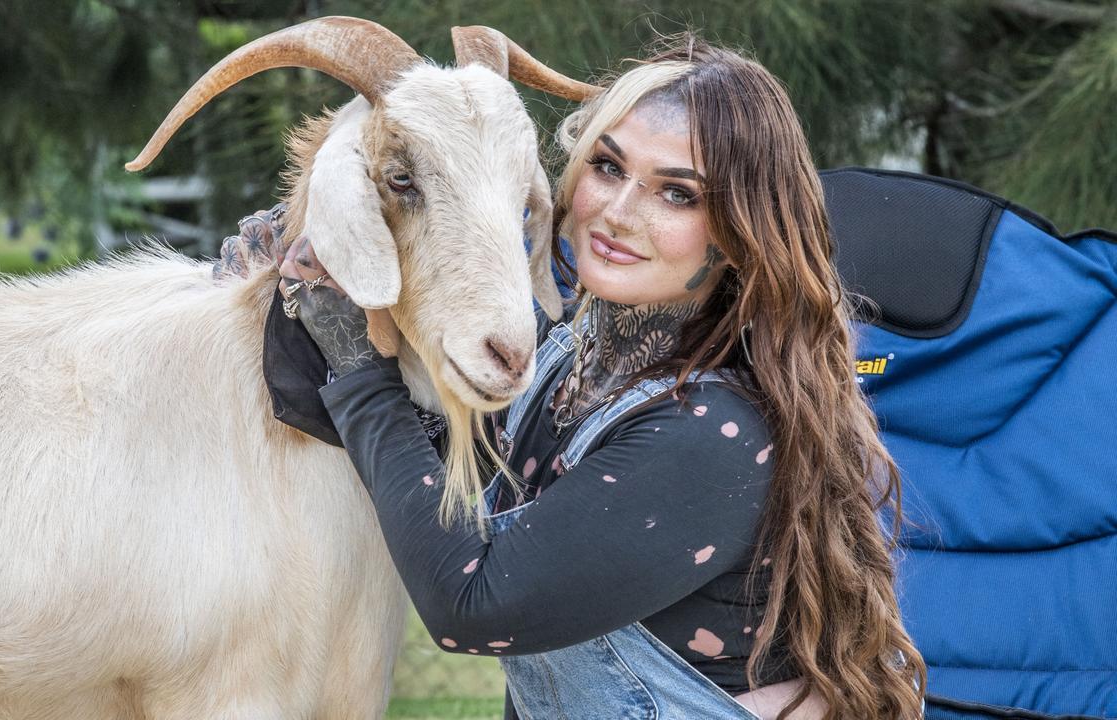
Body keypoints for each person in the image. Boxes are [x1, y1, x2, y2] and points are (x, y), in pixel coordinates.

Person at [224, 33, 926, 720]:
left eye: (677, 194)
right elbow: (418, 468)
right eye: (609, 167)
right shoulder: (567, 357)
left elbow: (472, 603)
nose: (618, 214)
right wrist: (290, 292)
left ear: (743, 231)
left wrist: (356, 365)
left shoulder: (709, 433)